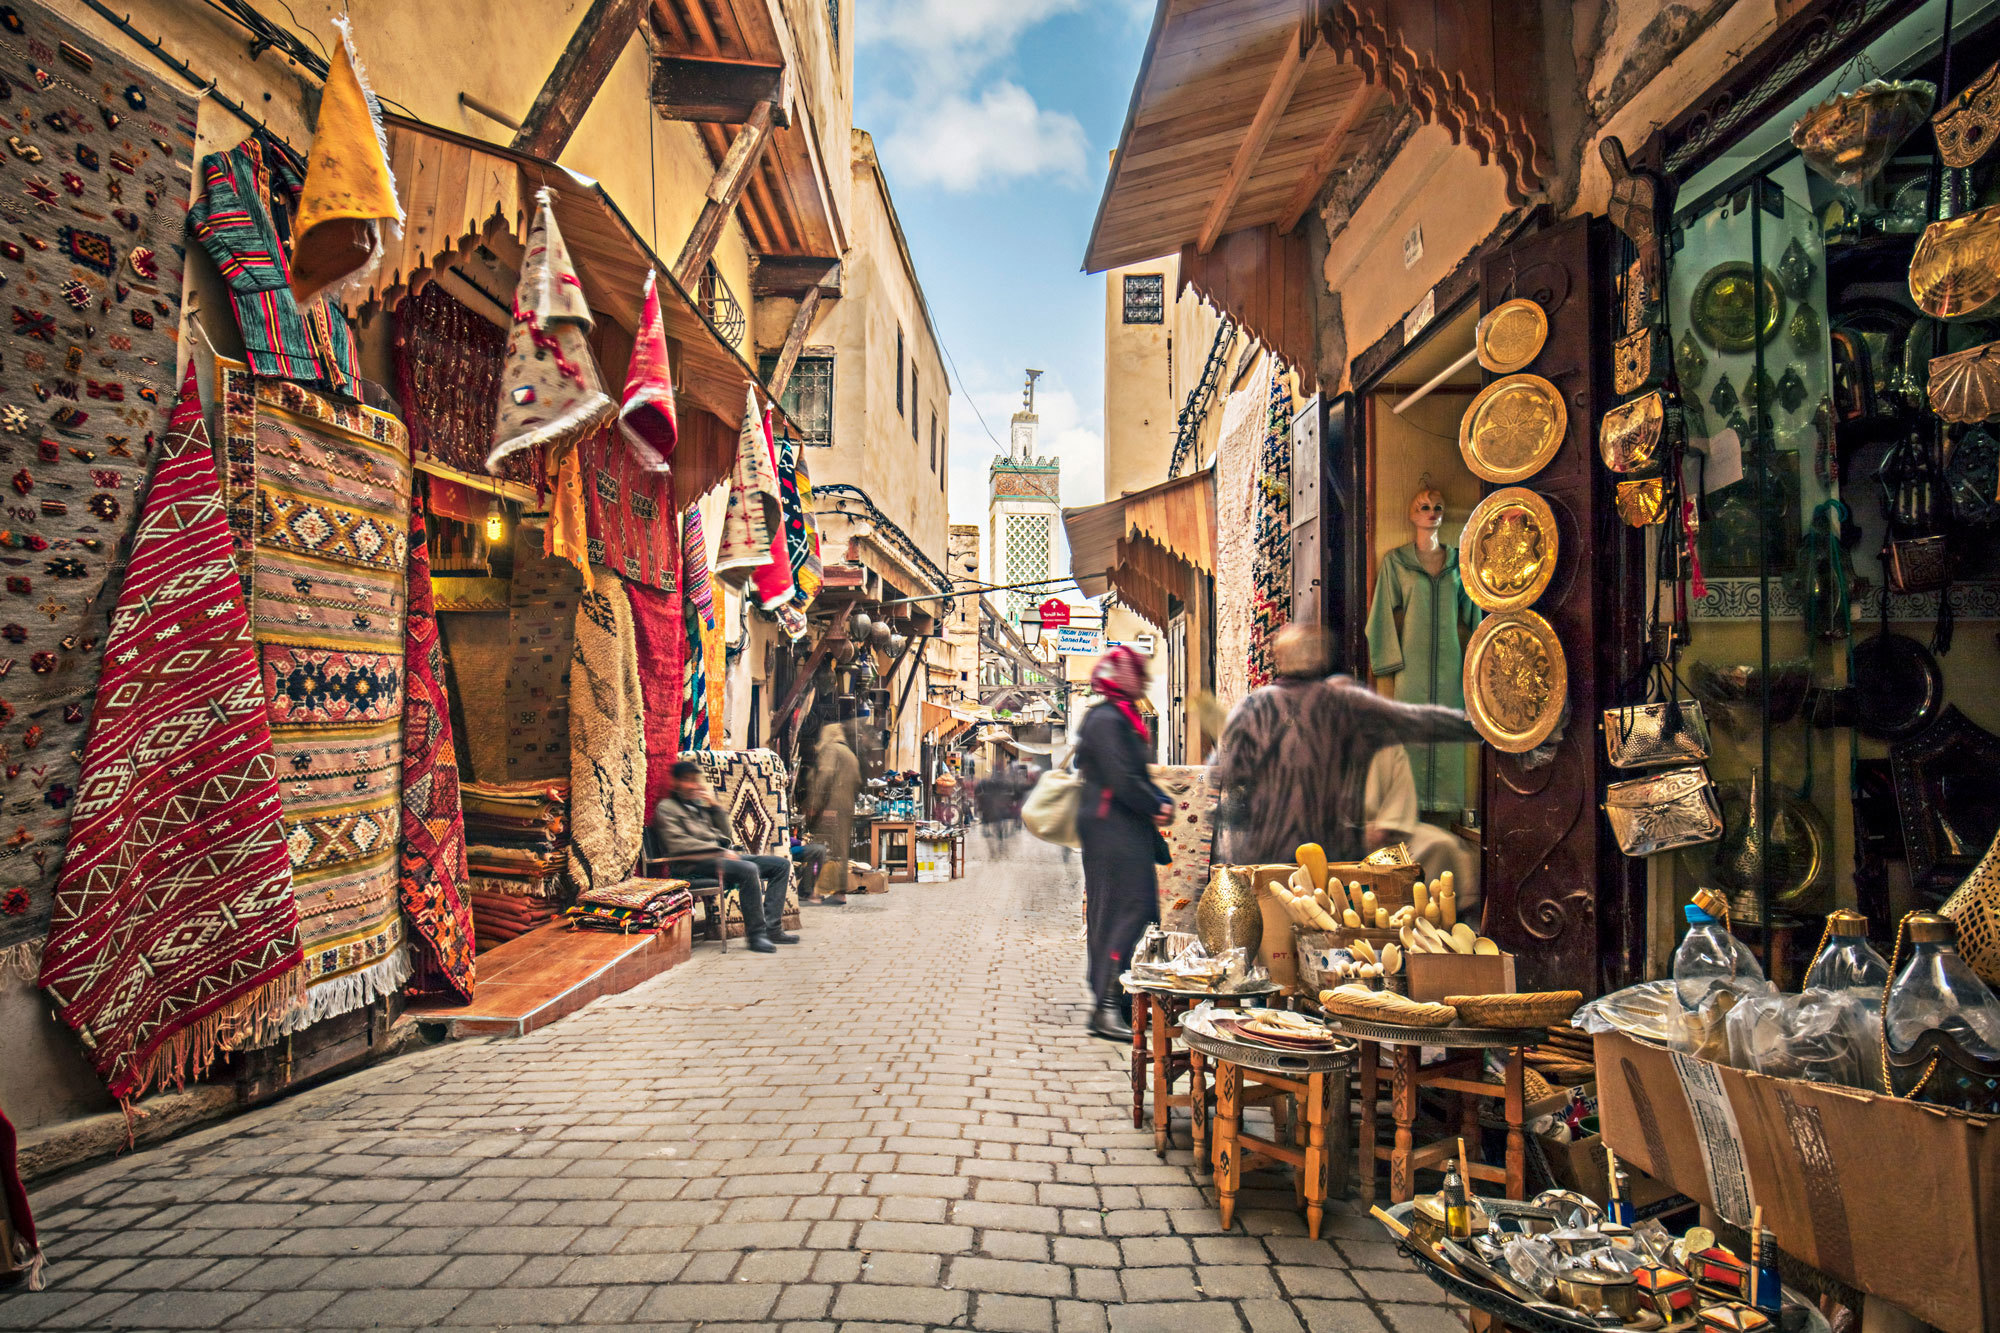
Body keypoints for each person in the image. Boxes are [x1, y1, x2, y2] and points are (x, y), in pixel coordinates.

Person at [1214, 623, 1480, 866]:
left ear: (1278, 658)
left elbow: (1216, 775)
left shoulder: (1250, 709)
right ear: (1321, 658)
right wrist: (1478, 726)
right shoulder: (1344, 703)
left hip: (1263, 855)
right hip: (1329, 856)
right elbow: (1417, 721)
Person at [1075, 645, 1171, 1041]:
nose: (1144, 680)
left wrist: (1156, 801)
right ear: (1119, 676)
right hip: (1110, 830)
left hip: (1119, 828)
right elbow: (1120, 775)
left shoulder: (1118, 716)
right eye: (1137, 672)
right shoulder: (1108, 718)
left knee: (1134, 908)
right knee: (1125, 909)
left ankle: (1118, 999)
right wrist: (1156, 803)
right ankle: (1108, 1006)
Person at [653, 760, 796, 953]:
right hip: (692, 864)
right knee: (748, 870)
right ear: (675, 782)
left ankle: (773, 929)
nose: (693, 785)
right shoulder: (667, 808)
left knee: (780, 865)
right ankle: (756, 936)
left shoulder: (698, 806)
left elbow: (725, 835)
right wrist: (719, 852)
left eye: (695, 780)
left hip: (719, 859)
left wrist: (714, 808)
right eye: (687, 780)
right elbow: (678, 844)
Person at [804, 720, 859, 904]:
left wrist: (814, 803)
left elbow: (824, 777)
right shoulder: (850, 754)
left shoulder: (831, 750)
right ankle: (840, 891)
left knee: (823, 848)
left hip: (830, 808)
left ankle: (816, 891)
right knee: (841, 849)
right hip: (846, 807)